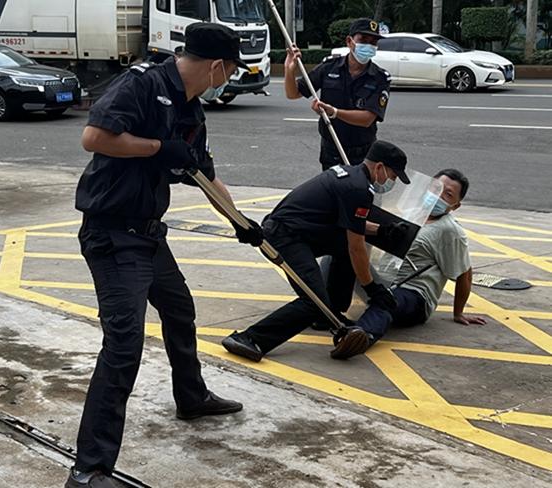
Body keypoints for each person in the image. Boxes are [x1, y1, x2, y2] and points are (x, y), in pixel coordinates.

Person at [66, 23, 263, 488]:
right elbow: (94, 137)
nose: (227, 80)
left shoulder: (191, 110)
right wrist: (156, 149)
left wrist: (242, 222)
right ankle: (89, 471)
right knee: (123, 346)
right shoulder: (142, 84)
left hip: (149, 235)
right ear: (217, 66)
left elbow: (205, 174)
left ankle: (191, 397)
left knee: (179, 309)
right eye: (230, 71)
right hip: (113, 234)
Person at [221, 140, 410, 363]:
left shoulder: (350, 176)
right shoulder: (358, 189)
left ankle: (329, 315)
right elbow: (356, 246)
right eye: (392, 176)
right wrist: (372, 288)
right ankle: (250, 339)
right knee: (313, 300)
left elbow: (351, 224)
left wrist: (382, 230)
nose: (390, 182)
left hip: (298, 230)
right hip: (286, 238)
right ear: (379, 167)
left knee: (342, 249)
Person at [331, 169, 487, 360]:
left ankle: (360, 336)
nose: (438, 196)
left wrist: (458, 313)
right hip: (385, 280)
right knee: (340, 253)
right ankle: (324, 310)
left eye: (448, 195)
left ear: (455, 206)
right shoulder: (413, 213)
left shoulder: (450, 231)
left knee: (386, 300)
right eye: (437, 188)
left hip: (413, 294)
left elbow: (465, 272)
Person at [284, 18, 391, 171]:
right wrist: (289, 70)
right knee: (332, 186)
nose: (368, 46)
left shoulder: (380, 78)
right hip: (331, 150)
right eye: (363, 40)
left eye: (373, 42)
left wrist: (334, 112)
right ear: (349, 41)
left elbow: (367, 119)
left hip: (363, 152)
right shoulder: (329, 67)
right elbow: (293, 93)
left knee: (360, 187)